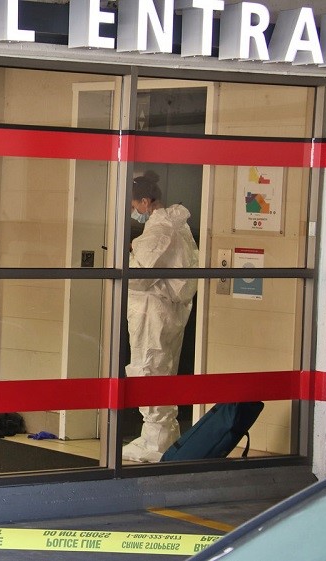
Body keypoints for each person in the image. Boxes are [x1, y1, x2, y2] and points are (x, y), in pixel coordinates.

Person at [122, 170, 199, 463]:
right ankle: (160, 436)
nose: (134, 211)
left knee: (149, 368)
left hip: (152, 311)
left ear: (145, 201)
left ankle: (155, 442)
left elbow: (137, 276)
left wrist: (130, 252)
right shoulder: (177, 226)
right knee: (162, 370)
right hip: (168, 311)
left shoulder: (160, 231)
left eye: (134, 205)